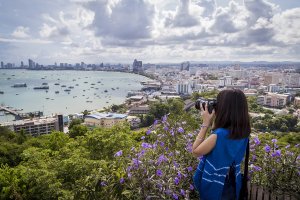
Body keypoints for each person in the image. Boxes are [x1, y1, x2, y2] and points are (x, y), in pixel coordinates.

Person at [192, 89, 251, 200]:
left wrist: (205, 123)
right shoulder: (244, 132)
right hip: (234, 182)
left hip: (217, 186)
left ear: (224, 108)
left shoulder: (219, 135)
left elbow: (195, 151)